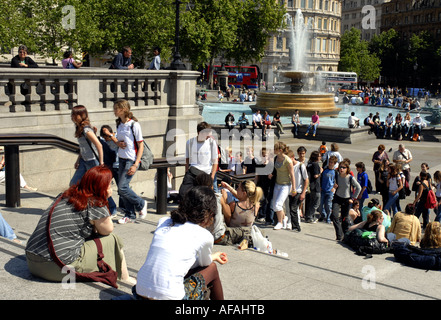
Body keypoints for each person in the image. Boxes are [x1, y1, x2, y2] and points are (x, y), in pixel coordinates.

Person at [25, 165, 134, 284]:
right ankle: (125, 278)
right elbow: (107, 230)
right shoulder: (95, 202)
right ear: (103, 187)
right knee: (114, 239)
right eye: (110, 183)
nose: (111, 186)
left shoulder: (65, 196)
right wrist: (106, 199)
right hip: (56, 268)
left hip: (32, 262)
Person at [135, 186, 228, 300]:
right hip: (171, 297)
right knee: (212, 268)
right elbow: (205, 263)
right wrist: (213, 257)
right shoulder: (204, 236)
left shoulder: (163, 221)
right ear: (208, 213)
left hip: (140, 291)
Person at [113, 99, 147, 224]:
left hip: (130, 160)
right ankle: (130, 215)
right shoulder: (119, 124)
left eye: (116, 108)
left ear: (123, 109)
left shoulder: (134, 125)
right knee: (123, 188)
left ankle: (141, 203)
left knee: (122, 188)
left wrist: (136, 163)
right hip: (121, 159)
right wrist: (118, 143)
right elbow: (118, 140)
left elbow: (141, 145)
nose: (114, 111)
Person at [179, 121, 218, 198]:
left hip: (205, 174)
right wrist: (186, 171)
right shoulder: (189, 142)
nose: (208, 137)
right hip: (192, 172)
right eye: (207, 135)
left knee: (203, 196)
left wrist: (212, 176)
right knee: (182, 193)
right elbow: (187, 159)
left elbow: (215, 161)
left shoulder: (211, 142)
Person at [69, 105, 104, 186]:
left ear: (81, 115)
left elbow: (99, 145)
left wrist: (101, 163)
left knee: (96, 187)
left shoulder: (86, 130)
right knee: (74, 184)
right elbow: (83, 147)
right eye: (72, 114)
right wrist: (78, 160)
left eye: (74, 114)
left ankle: (106, 199)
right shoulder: (79, 128)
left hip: (92, 161)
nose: (72, 116)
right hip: (84, 160)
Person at [331, 160, 361, 241]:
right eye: (340, 167)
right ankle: (339, 235)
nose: (341, 169)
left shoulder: (350, 178)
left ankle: (345, 236)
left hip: (347, 199)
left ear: (347, 169)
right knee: (334, 216)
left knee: (344, 219)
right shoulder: (337, 176)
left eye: (344, 167)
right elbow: (335, 186)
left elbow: (358, 187)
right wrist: (334, 186)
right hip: (337, 198)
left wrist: (353, 198)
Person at [271, 142, 296, 230]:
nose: (273, 150)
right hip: (277, 184)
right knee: (274, 206)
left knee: (278, 204)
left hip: (286, 185)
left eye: (275, 149)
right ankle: (283, 217)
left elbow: (292, 175)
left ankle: (280, 222)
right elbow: (275, 170)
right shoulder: (276, 158)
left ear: (280, 150)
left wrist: (294, 189)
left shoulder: (288, 161)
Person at [287, 149, 309, 232]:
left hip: (298, 191)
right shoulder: (288, 166)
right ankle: (293, 225)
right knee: (291, 209)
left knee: (293, 208)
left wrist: (303, 192)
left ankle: (297, 227)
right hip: (290, 191)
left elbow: (306, 179)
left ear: (293, 158)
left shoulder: (300, 166)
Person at [319, 155, 337, 223]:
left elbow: (337, 182)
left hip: (330, 191)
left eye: (332, 162)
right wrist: (320, 186)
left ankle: (328, 217)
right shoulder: (325, 170)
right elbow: (320, 178)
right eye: (329, 162)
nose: (330, 163)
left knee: (328, 205)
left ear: (334, 164)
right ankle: (323, 215)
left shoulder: (335, 172)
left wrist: (334, 188)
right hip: (323, 189)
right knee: (320, 205)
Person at [305, 151, 322, 223]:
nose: (320, 157)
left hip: (310, 186)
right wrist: (320, 171)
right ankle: (310, 216)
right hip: (315, 186)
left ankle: (309, 216)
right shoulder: (315, 164)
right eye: (319, 156)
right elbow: (316, 175)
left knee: (311, 202)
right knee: (316, 202)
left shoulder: (309, 164)